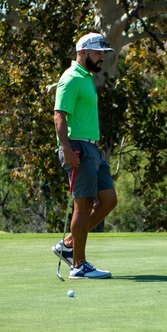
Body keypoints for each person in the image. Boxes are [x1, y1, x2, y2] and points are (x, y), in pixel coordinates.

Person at [50, 33, 118, 279]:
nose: (101, 58)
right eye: (98, 53)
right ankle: (78, 264)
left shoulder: (86, 78)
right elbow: (60, 115)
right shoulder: (70, 79)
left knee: (108, 199)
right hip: (77, 147)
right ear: (83, 52)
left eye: (103, 53)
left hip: (92, 149)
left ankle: (68, 244)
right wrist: (66, 148)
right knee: (84, 204)